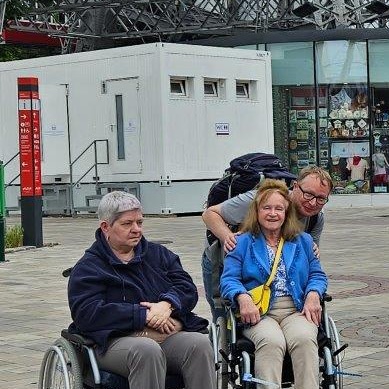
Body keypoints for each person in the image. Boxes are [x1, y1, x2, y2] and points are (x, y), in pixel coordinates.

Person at [67, 191, 214, 389]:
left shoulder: (158, 255)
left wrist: (167, 305)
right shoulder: (89, 267)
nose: (136, 229)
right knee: (146, 350)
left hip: (164, 336)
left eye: (140, 222)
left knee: (199, 345)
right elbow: (87, 313)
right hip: (113, 342)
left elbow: (186, 288)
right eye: (127, 224)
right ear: (106, 227)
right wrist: (143, 316)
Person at [220, 179, 328, 389]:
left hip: (296, 309)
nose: (272, 213)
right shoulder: (240, 242)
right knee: (271, 341)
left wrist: (314, 293)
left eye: (279, 208)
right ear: (257, 211)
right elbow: (229, 279)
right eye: (266, 208)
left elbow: (318, 274)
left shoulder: (303, 241)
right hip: (258, 311)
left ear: (286, 213)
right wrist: (242, 297)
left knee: (305, 339)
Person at [201, 166, 332, 314]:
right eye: (308, 194)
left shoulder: (316, 218)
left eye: (321, 199)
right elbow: (209, 214)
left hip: (268, 268)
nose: (313, 203)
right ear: (295, 186)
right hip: (222, 257)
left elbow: (310, 262)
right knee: (223, 312)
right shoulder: (261, 199)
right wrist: (228, 238)